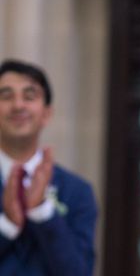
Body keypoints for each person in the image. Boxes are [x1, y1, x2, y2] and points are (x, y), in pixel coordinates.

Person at [0, 59, 97, 275]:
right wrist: (6, 225)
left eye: (29, 96)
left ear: (46, 114)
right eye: (6, 96)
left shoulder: (77, 191)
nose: (18, 105)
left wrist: (42, 211)